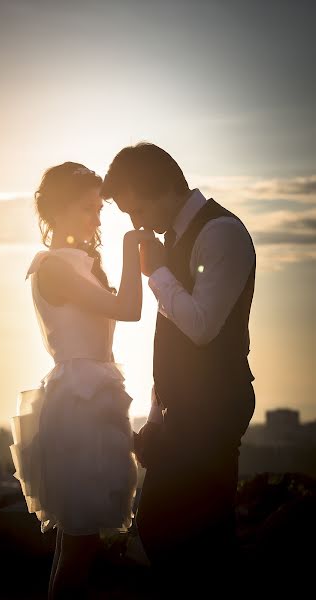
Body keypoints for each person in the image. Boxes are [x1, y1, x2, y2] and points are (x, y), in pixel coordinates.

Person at [101, 143, 256, 594]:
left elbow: (202, 327)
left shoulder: (221, 233)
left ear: (166, 188)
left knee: (198, 537)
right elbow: (169, 343)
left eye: (138, 209)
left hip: (214, 410)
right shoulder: (173, 242)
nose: (137, 224)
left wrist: (157, 275)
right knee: (165, 530)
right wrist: (154, 419)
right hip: (181, 415)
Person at [9, 162, 154, 599]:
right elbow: (129, 309)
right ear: (58, 211)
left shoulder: (79, 266)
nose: (97, 220)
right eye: (88, 210)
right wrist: (133, 249)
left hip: (92, 398)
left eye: (98, 210)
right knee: (79, 542)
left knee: (75, 542)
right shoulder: (54, 268)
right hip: (79, 402)